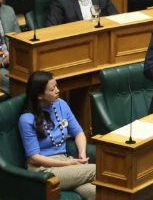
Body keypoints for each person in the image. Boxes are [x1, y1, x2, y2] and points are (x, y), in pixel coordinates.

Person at [18, 71, 95, 200]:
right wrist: (69, 164)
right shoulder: (26, 119)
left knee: (96, 191)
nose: (58, 91)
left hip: (64, 161)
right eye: (53, 89)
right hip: (43, 171)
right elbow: (34, 158)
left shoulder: (61, 104)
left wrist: (82, 153)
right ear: (39, 95)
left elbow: (79, 133)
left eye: (57, 86)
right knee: (98, 170)